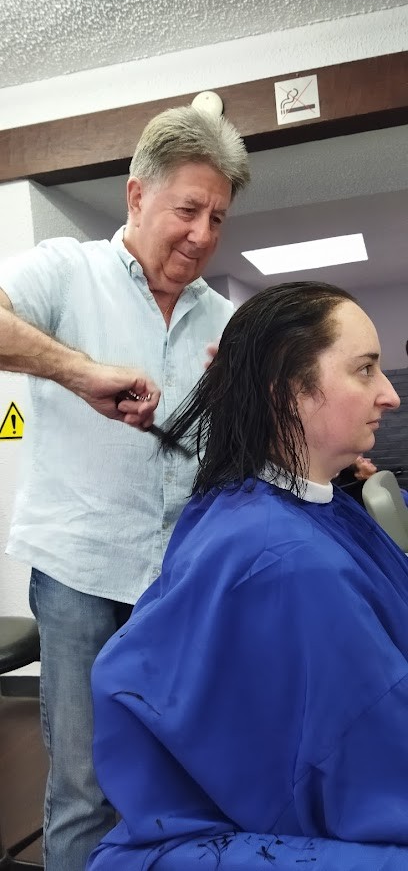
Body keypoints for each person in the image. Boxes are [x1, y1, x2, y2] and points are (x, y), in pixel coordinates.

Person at [0, 105, 250, 870]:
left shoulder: (226, 319)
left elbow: (243, 452)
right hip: (78, 572)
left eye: (217, 217)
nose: (203, 235)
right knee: (84, 785)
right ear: (136, 195)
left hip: (176, 583)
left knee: (178, 774)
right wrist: (79, 371)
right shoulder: (62, 269)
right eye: (188, 209)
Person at [88, 281, 408, 870]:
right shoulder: (286, 559)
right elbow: (372, 770)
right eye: (365, 369)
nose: (388, 394)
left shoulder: (284, 507)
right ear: (287, 392)